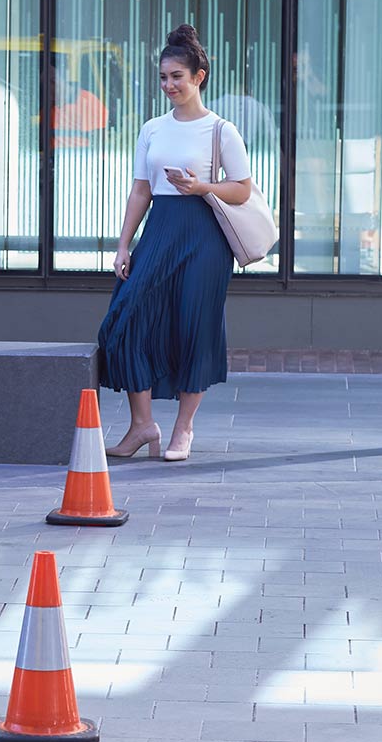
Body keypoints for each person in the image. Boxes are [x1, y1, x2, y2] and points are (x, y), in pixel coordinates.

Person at [97, 25, 252, 462]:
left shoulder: (221, 130)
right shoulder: (152, 129)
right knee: (124, 321)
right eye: (163, 77)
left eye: (177, 76)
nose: (169, 85)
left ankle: (183, 428)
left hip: (204, 237)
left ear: (199, 76)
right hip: (159, 231)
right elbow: (140, 191)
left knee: (194, 328)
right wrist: (124, 245)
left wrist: (202, 187)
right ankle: (143, 425)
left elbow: (242, 190)